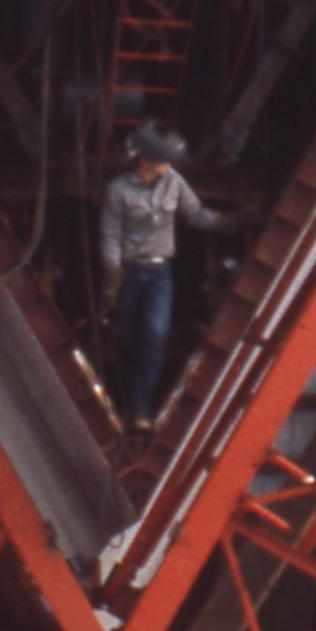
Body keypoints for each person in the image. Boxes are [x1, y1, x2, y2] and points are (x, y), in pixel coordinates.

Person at [98, 123, 227, 425]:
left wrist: (230, 222)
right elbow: (110, 235)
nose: (168, 167)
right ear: (146, 160)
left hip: (159, 273)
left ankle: (141, 408)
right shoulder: (118, 191)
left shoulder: (174, 183)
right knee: (129, 339)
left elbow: (196, 215)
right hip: (130, 272)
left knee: (154, 336)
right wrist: (112, 276)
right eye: (164, 161)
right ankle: (128, 400)